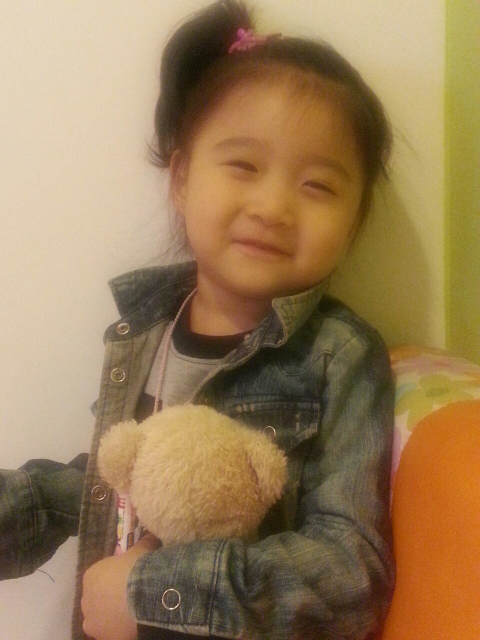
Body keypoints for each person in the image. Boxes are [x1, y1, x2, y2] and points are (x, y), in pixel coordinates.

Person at [0, 1, 396, 638]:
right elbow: (107, 488)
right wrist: (28, 504)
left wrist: (149, 595)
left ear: (355, 221)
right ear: (182, 179)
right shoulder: (143, 335)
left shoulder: (340, 355)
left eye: (318, 186)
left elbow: (348, 575)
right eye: (243, 166)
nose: (273, 206)